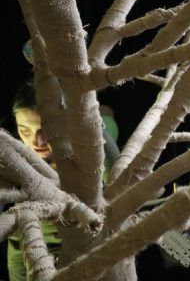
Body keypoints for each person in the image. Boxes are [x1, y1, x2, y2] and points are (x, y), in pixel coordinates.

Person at [7, 80, 120, 281]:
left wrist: (93, 126)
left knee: (107, 117)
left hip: (81, 243)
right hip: (26, 242)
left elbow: (120, 183)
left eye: (45, 129)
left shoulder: (84, 151)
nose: (37, 141)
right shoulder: (13, 155)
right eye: (25, 131)